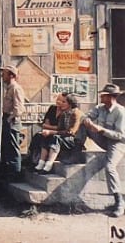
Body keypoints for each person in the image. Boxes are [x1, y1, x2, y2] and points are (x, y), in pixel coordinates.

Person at [82, 83, 125, 217]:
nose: (101, 96)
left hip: (118, 143)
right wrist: (88, 120)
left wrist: (101, 130)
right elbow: (86, 116)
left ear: (111, 97)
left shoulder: (121, 112)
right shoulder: (99, 108)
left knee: (110, 167)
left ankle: (119, 203)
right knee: (83, 125)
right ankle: (75, 152)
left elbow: (121, 135)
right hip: (103, 139)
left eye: (104, 95)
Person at [34, 93, 84, 173]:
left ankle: (48, 165)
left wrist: (51, 132)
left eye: (64, 102)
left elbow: (71, 132)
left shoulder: (76, 113)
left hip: (75, 140)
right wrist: (49, 132)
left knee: (55, 137)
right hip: (65, 137)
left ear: (70, 104)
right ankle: (41, 162)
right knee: (45, 136)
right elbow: (60, 128)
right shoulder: (64, 113)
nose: (61, 104)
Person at [28, 92, 67, 167]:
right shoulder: (52, 108)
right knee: (38, 136)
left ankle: (44, 161)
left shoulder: (65, 112)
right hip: (48, 131)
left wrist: (51, 127)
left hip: (58, 133)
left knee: (50, 137)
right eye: (58, 99)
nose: (58, 102)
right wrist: (53, 127)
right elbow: (44, 124)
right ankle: (33, 158)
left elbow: (61, 128)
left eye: (62, 101)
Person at [0, 64, 25, 179]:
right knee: (7, 147)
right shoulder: (9, 88)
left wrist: (10, 119)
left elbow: (19, 108)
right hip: (7, 119)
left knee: (13, 147)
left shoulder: (16, 88)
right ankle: (9, 172)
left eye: (4, 73)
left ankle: (16, 174)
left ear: (11, 75)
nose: (2, 76)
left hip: (12, 120)